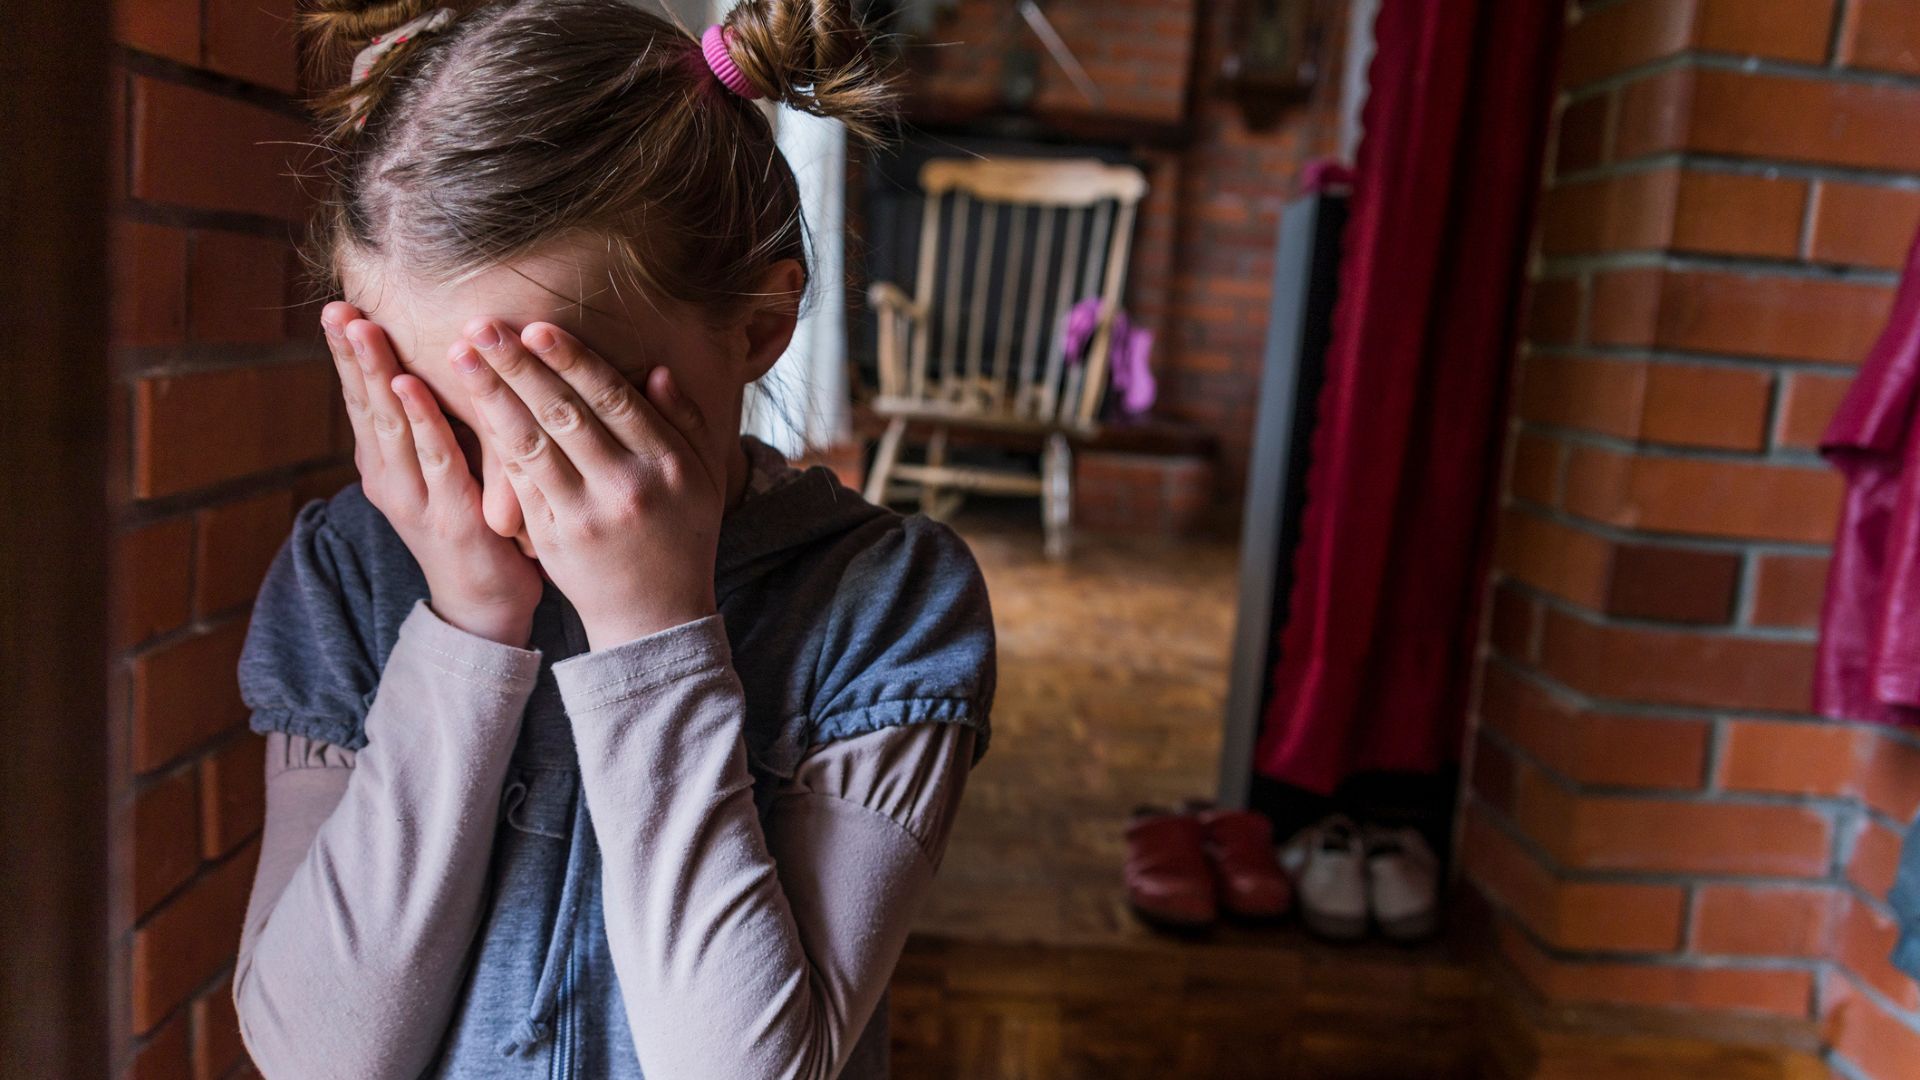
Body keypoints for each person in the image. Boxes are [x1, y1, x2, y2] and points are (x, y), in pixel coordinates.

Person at [229, 2, 996, 1077]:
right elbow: (316, 1058)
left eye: (558, 417)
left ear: (759, 329)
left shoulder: (890, 603)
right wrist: (465, 625)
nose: (497, 506)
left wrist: (652, 628)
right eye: (436, 424)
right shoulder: (349, 572)